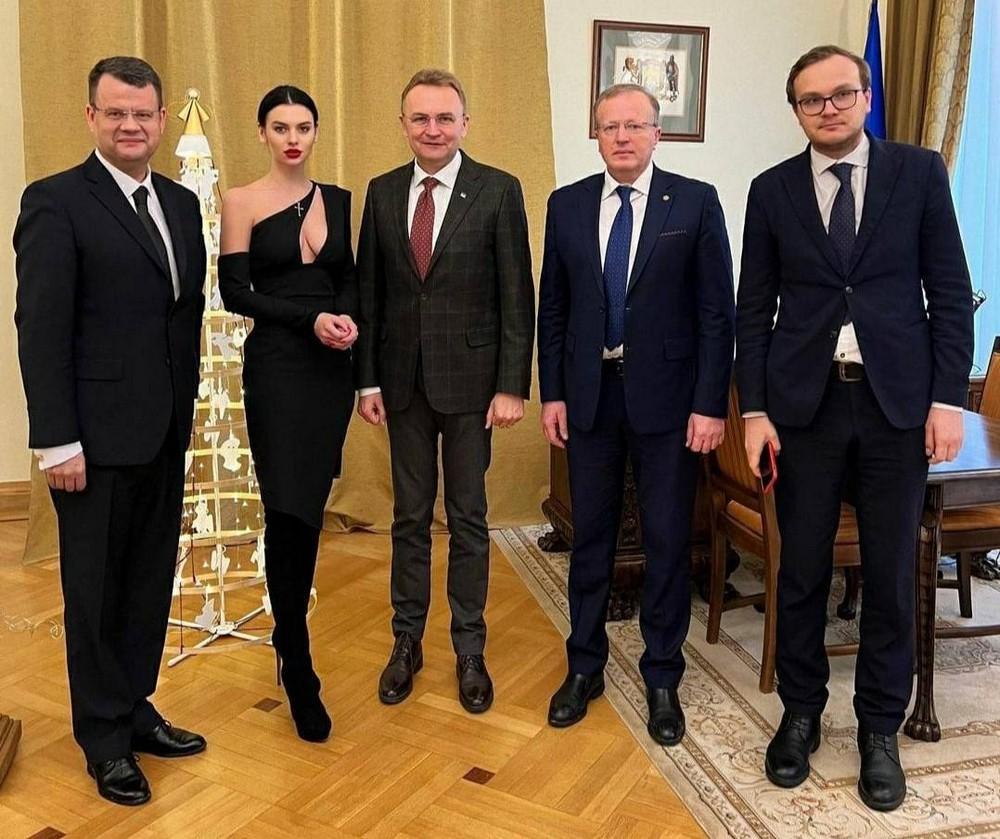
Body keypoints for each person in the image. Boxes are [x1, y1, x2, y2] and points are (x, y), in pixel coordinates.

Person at [736, 45, 973, 811]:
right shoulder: (771, 190)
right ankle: (801, 712)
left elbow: (948, 290)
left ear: (866, 96)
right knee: (801, 568)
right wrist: (754, 411)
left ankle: (879, 727)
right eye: (812, 100)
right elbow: (753, 309)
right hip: (803, 410)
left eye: (841, 93)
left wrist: (945, 400)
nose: (828, 108)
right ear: (796, 111)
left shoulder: (919, 174)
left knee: (892, 573)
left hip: (895, 407)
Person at [14, 56, 207, 806]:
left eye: (143, 114)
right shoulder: (56, 202)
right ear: (92, 117)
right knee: (94, 591)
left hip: (163, 430)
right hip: (89, 443)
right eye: (116, 112)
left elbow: (180, 316)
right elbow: (41, 328)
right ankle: (102, 737)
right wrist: (56, 440)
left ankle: (133, 706)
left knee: (147, 580)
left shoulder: (181, 204)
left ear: (160, 120)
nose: (131, 125)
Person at [537, 83, 735, 745]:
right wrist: (553, 392)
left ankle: (662, 675)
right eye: (609, 127)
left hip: (671, 402)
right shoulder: (566, 205)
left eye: (634, 125)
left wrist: (710, 403)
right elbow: (553, 308)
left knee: (667, 540)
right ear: (595, 135)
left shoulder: (696, 201)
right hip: (590, 396)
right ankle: (584, 666)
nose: (621, 137)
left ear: (657, 133)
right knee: (590, 537)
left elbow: (718, 314)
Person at [355, 68, 534, 714]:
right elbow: (370, 295)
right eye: (420, 118)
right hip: (401, 384)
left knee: (467, 518)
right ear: (403, 124)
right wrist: (367, 379)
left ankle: (469, 647)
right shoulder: (381, 192)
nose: (432, 129)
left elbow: (517, 295)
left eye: (444, 118)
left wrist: (511, 385)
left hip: (472, 387)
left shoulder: (498, 190)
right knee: (408, 517)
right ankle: (406, 640)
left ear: (465, 123)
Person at [219, 86, 358, 743]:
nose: (293, 138)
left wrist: (346, 321)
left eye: (303, 126)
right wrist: (310, 319)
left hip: (331, 372)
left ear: (316, 132)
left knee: (311, 504)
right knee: (286, 508)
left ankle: (288, 639)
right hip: (276, 367)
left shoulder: (341, 200)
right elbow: (233, 292)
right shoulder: (241, 201)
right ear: (263, 133)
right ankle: (296, 658)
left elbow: (349, 277)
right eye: (281, 127)